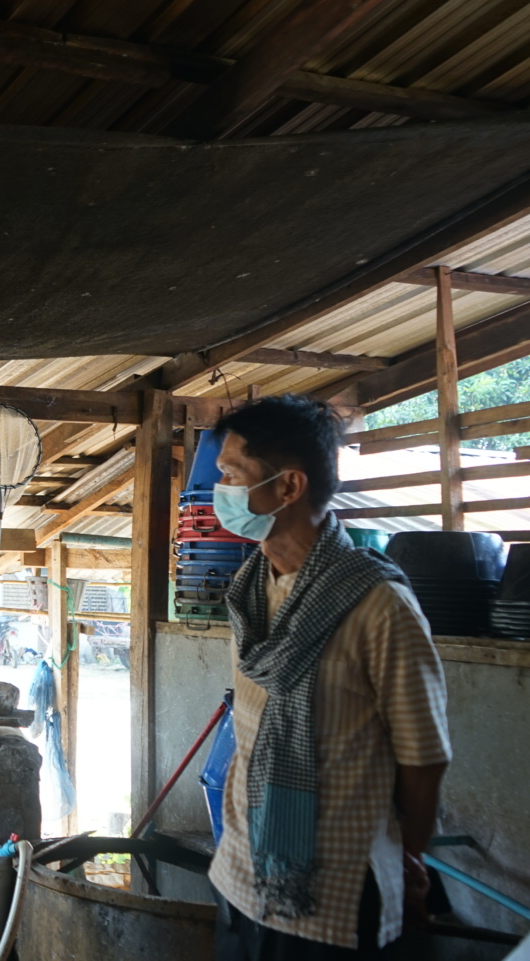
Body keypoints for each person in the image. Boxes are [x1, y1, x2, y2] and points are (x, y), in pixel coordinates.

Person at [207, 395, 450, 961]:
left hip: (334, 904)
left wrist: (409, 857)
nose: (219, 489)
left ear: (288, 487)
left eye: (230, 475)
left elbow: (424, 757)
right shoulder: (251, 591)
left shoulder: (379, 607)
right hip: (240, 876)